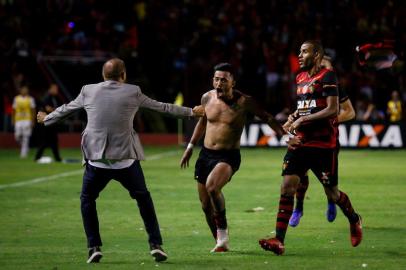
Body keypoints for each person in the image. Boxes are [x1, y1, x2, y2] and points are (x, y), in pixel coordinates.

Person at [37, 58, 204, 263]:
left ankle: (94, 247)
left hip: (97, 161)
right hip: (126, 160)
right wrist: (191, 112)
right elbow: (163, 107)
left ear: (103, 75)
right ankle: (155, 244)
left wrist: (47, 118)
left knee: (87, 200)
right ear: (123, 75)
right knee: (143, 199)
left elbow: (67, 109)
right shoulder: (133, 91)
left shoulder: (88, 90)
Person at [259, 41, 362, 255]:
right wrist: (294, 117)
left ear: (316, 55)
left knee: (332, 194)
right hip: (301, 142)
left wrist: (301, 121)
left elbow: (333, 110)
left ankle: (354, 218)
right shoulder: (300, 78)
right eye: (299, 51)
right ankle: (279, 240)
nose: (299, 55)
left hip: (324, 145)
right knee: (287, 186)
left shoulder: (328, 76)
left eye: (304, 51)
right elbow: (305, 106)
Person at [180, 63, 285, 252]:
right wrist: (190, 146)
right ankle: (220, 242)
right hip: (205, 155)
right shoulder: (207, 97)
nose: (219, 83)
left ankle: (222, 233)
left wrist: (286, 137)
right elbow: (203, 122)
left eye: (223, 80)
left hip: (228, 156)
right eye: (216, 79)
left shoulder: (244, 102)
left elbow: (267, 117)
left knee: (213, 187)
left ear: (232, 82)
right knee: (205, 206)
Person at [288, 55, 356, 227]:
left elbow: (350, 112)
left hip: (327, 140)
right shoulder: (307, 84)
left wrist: (332, 119)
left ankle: (331, 201)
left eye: (325, 66)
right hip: (305, 138)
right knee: (299, 176)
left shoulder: (336, 87)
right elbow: (304, 107)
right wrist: (294, 116)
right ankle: (299, 208)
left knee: (328, 182)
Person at [35, 83, 63, 162]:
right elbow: (47, 109)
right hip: (46, 123)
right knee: (45, 141)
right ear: (50, 89)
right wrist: (58, 111)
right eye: (55, 89)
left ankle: (57, 158)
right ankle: (37, 157)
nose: (56, 90)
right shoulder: (46, 97)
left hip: (51, 123)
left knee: (53, 141)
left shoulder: (54, 98)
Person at [12, 85, 36, 158]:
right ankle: (24, 147)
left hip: (27, 119)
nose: (24, 91)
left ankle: (23, 153)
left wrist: (33, 120)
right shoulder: (16, 99)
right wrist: (13, 119)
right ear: (20, 90)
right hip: (18, 119)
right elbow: (13, 110)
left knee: (26, 136)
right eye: (23, 89)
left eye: (26, 89)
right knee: (17, 136)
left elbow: (33, 110)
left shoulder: (30, 99)